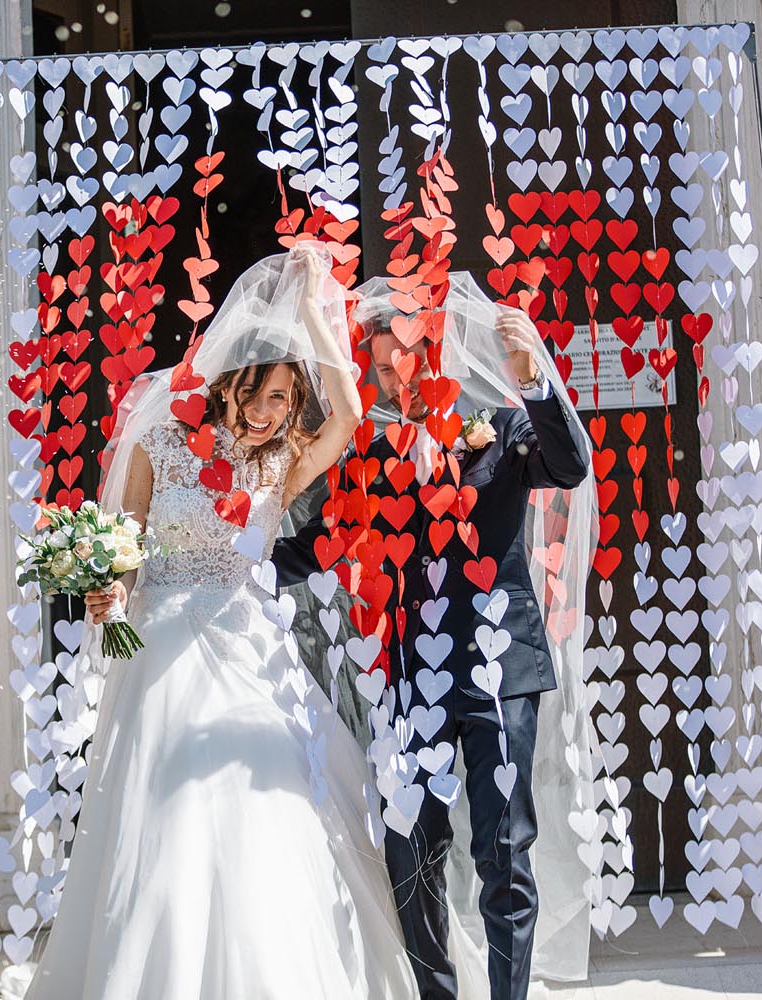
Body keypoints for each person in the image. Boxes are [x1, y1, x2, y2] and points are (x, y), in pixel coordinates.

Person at [24, 244, 417, 999]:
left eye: (283, 399)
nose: (270, 415)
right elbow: (125, 551)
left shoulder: (279, 464)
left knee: (267, 811)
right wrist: (109, 602)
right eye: (259, 396)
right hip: (163, 651)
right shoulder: (158, 444)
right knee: (168, 821)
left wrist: (311, 316)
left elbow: (350, 414)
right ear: (228, 382)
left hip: (248, 652)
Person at [273, 274, 596, 1000]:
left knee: (504, 849)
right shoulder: (376, 453)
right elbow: (326, 542)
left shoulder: (505, 426)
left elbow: (571, 466)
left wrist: (534, 382)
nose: (396, 379)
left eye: (404, 363)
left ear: (435, 352)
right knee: (407, 844)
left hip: (499, 667)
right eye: (381, 368)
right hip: (413, 674)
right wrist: (230, 563)